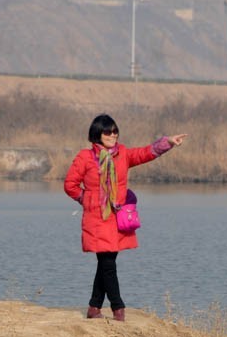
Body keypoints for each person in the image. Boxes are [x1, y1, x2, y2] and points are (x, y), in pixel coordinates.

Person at [64, 114, 187, 322]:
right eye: (108, 132)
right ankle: (118, 307)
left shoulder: (122, 154)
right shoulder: (85, 157)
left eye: (115, 131)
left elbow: (145, 153)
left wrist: (168, 142)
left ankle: (94, 306)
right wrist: (88, 200)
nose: (113, 135)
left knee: (106, 262)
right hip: (97, 218)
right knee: (107, 263)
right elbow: (70, 185)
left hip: (117, 218)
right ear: (97, 134)